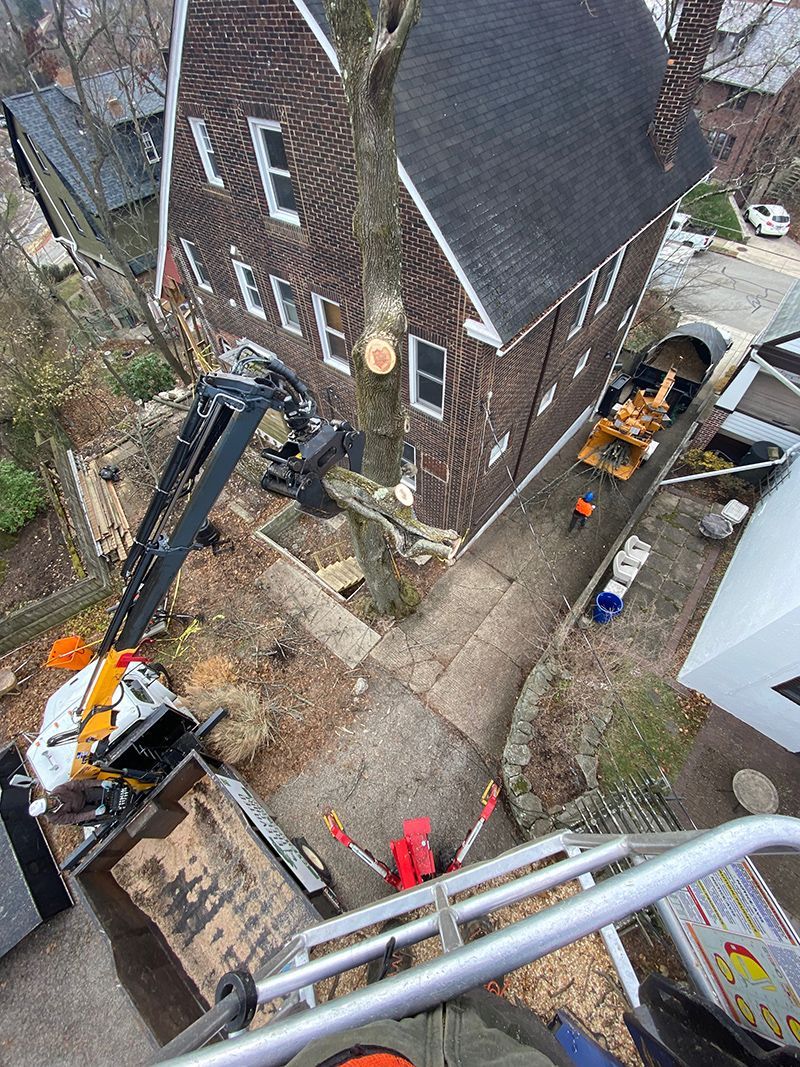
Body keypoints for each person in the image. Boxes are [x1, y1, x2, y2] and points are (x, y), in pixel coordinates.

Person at [28, 779, 120, 826]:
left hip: (84, 794)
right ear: (47, 811)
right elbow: (74, 818)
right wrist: (94, 813)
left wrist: (100, 783)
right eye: (49, 805)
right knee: (105, 813)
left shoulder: (58, 790)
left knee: (109, 792)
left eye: (48, 800)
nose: (51, 801)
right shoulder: (54, 818)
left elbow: (81, 784)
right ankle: (120, 815)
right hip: (80, 810)